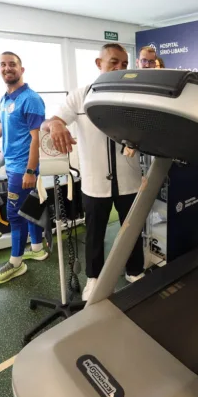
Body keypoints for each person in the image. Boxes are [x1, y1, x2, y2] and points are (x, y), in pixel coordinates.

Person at [42, 43, 146, 301]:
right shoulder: (80, 96)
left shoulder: (134, 95)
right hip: (94, 182)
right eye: (113, 62)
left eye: (124, 63)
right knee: (94, 233)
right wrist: (55, 125)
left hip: (129, 180)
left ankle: (134, 270)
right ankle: (94, 278)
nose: (119, 67)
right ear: (99, 64)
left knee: (131, 228)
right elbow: (53, 119)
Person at [0, 52, 49, 284]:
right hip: (12, 164)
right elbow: (2, 125)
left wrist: (31, 171)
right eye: (3, 65)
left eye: (12, 64)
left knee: (14, 214)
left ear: (22, 69)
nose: (7, 68)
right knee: (28, 209)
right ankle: (38, 248)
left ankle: (16, 263)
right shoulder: (5, 98)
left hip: (23, 167)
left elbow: (37, 138)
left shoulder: (30, 99)